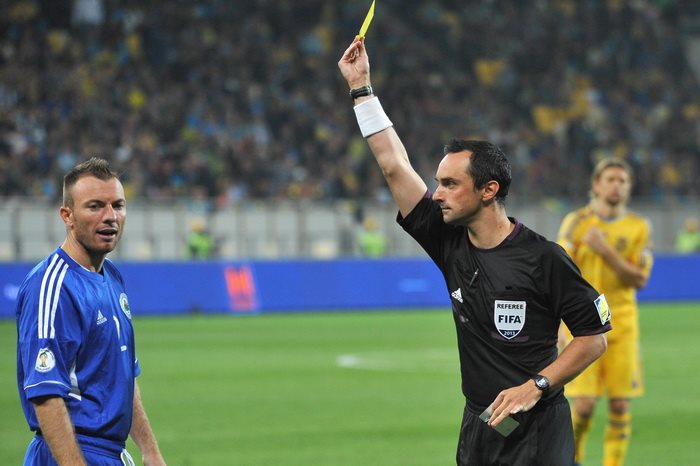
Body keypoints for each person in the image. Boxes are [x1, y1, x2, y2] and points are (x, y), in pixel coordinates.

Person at [338, 37, 610, 466]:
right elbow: (394, 165)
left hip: (538, 428)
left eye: (450, 184)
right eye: (438, 183)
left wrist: (535, 386)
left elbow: (593, 338)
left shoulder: (544, 258)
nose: (437, 194)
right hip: (480, 424)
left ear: (488, 190)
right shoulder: (447, 238)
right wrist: (361, 88)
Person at [15, 157, 166, 466]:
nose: (110, 217)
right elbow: (46, 394)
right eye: (95, 206)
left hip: (109, 453)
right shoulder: (53, 286)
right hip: (71, 451)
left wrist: (150, 451)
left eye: (118, 205)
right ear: (67, 216)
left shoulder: (112, 277)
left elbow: (123, 376)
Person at [557, 158, 653, 466]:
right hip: (581, 325)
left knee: (620, 405)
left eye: (622, 181)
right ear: (596, 184)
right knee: (584, 406)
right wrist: (558, 328)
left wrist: (605, 250)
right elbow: (558, 274)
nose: (616, 186)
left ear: (629, 187)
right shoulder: (576, 222)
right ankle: (572, 459)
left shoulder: (638, 226)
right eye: (610, 179)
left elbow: (639, 279)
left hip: (622, 326)